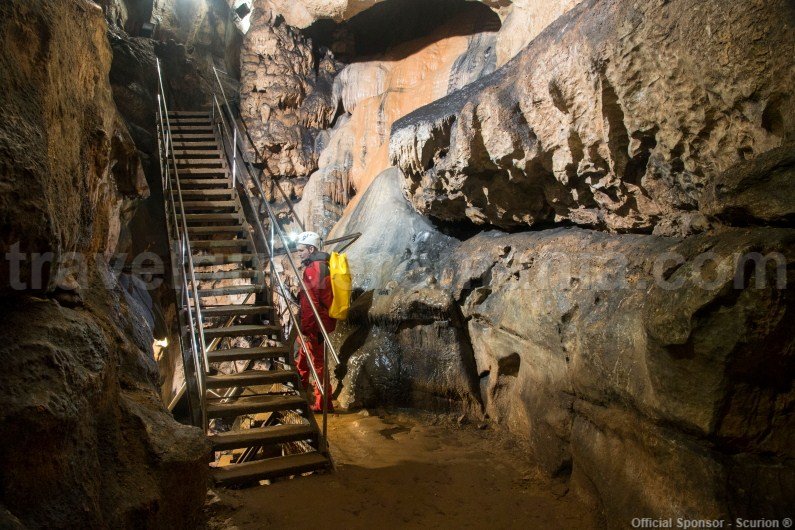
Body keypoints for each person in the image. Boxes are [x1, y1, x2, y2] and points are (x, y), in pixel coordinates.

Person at [294, 231, 336, 412]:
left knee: (318, 363)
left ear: (311, 249)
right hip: (320, 322)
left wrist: (307, 329)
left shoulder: (313, 269)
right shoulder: (322, 265)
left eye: (301, 250)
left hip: (316, 325)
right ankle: (299, 388)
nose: (299, 253)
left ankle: (323, 404)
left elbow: (311, 304)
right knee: (303, 356)